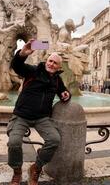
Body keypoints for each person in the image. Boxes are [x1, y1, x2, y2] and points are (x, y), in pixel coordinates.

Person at [7, 39, 71, 185]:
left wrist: (66, 95)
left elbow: (64, 92)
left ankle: (36, 168)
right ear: (46, 61)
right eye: (50, 61)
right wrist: (22, 54)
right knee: (14, 142)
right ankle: (17, 171)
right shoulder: (33, 71)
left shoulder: (56, 80)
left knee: (54, 140)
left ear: (59, 66)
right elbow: (17, 66)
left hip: (42, 118)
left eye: (55, 63)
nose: (51, 64)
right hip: (21, 115)